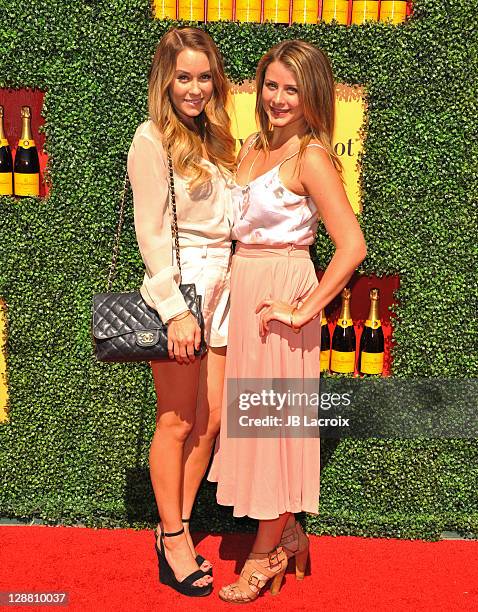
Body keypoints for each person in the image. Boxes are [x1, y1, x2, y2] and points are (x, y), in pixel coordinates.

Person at [207, 39, 367, 603]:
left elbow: (351, 246)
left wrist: (301, 309)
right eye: (271, 85)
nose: (278, 98)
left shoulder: (311, 157)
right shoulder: (252, 146)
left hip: (282, 298)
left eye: (292, 89)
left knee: (271, 429)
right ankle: (289, 532)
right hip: (244, 290)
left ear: (313, 94)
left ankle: (264, 554)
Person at [127, 27, 235, 597]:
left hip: (222, 288)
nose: (194, 88)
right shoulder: (152, 140)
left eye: (203, 76)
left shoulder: (215, 137)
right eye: (183, 76)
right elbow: (151, 233)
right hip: (183, 290)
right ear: (164, 80)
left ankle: (179, 523)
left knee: (212, 420)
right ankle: (172, 538)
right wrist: (173, 309)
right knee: (177, 421)